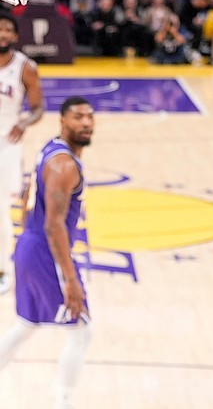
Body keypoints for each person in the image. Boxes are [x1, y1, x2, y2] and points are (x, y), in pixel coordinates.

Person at [0, 96, 94, 409]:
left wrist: (28, 239)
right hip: (45, 250)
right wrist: (70, 280)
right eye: (78, 117)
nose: (86, 123)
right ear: (63, 120)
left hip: (29, 243)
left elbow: (28, 198)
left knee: (28, 324)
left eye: (90, 117)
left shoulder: (50, 148)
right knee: (81, 329)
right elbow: (55, 226)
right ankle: (63, 403)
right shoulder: (65, 165)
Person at [0, 14, 44, 294]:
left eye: (7, 29)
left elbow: (38, 108)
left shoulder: (26, 67)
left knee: (0, 207)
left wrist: (25, 122)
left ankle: (3, 268)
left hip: (6, 141)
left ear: (15, 36)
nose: (2, 33)